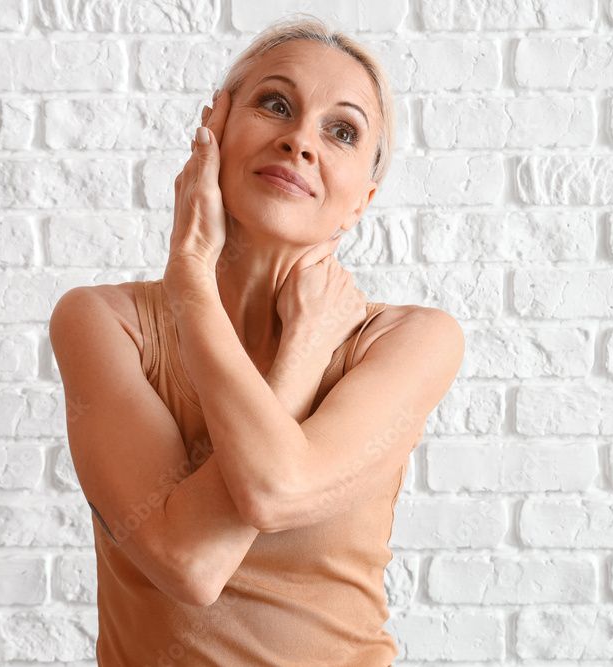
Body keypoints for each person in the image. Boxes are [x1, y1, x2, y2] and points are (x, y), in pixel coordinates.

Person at [49, 16, 464, 666]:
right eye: (276, 104)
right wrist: (195, 281)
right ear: (213, 128)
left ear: (363, 201)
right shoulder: (104, 322)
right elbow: (189, 563)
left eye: (342, 130)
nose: (300, 140)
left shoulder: (408, 340)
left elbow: (273, 490)